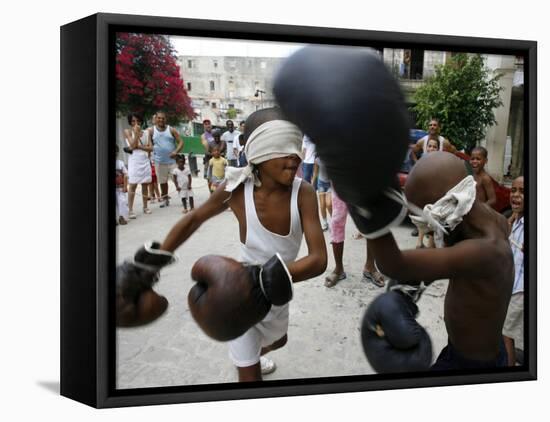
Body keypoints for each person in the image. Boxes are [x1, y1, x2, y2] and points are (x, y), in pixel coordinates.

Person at [272, 45, 512, 371]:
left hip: (472, 365)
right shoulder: (492, 225)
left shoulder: (486, 251)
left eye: (424, 214)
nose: (423, 225)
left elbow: (394, 263)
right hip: (479, 349)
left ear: (446, 207)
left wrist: (365, 200)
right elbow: (443, 261)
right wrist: (409, 289)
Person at [116, 107, 327, 382]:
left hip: (277, 290)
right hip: (234, 292)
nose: (294, 156)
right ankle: (247, 356)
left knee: (280, 340)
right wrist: (150, 263)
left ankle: (255, 351)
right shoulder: (236, 188)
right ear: (258, 152)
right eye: (281, 147)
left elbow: (319, 259)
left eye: (295, 147)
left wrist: (263, 282)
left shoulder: (303, 193)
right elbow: (194, 219)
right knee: (248, 376)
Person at [324, 190, 385, 288]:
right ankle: (338, 269)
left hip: (367, 183)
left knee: (371, 220)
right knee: (336, 222)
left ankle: (370, 267)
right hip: (340, 181)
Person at [409, 118, 457, 237]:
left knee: (434, 203)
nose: (432, 127)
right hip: (424, 175)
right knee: (420, 201)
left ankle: (430, 228)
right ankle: (418, 227)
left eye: (435, 125)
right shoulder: (423, 141)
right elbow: (413, 151)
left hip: (437, 176)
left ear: (438, 127)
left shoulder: (444, 142)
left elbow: (454, 152)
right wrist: (417, 163)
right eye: (430, 125)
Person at [502, 176, 524, 366]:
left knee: (507, 333)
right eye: (513, 190)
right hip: (513, 283)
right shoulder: (517, 219)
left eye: (523, 191)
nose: (516, 195)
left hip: (521, 289)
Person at [148, 111, 184, 208]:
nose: (161, 120)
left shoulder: (171, 130)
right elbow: (149, 145)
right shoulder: (151, 131)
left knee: (178, 180)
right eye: (159, 118)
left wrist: (175, 151)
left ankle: (184, 198)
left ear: (165, 119)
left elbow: (181, 142)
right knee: (162, 182)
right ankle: (165, 199)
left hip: (172, 161)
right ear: (155, 119)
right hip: (159, 161)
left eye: (163, 118)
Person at [412, 137, 440, 249]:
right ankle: (419, 242)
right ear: (426, 148)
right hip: (423, 193)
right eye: (430, 146)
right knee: (422, 217)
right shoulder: (422, 161)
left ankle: (429, 246)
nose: (431, 148)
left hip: (435, 194)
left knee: (433, 218)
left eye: (434, 147)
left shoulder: (439, 161)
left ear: (438, 149)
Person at [123, 113, 153, 219]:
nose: (136, 123)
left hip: (144, 160)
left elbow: (151, 148)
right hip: (134, 161)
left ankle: (145, 207)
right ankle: (130, 209)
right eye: (133, 121)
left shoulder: (147, 132)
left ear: (141, 121)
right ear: (130, 122)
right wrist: (136, 134)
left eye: (138, 121)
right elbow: (132, 145)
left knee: (145, 184)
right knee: (133, 185)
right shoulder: (127, 131)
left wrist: (140, 146)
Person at [311, 155, 332, 231]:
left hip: (330, 184)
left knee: (329, 204)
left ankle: (334, 222)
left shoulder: (331, 157)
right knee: (322, 205)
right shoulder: (317, 159)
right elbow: (315, 173)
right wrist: (312, 184)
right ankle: (325, 223)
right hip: (321, 183)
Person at [115, 145, 129, 225]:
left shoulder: (120, 163)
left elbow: (126, 175)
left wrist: (125, 186)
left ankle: (122, 217)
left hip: (120, 188)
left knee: (122, 202)